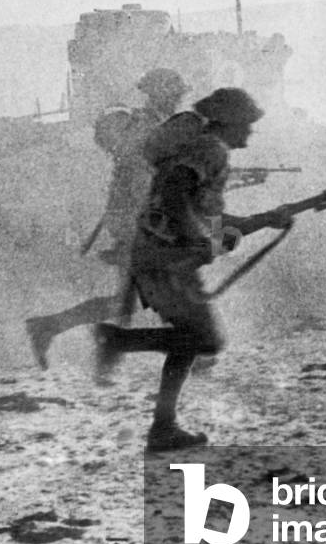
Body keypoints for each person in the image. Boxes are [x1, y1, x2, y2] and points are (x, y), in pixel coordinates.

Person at [93, 87, 294, 452]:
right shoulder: (210, 149)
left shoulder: (201, 149)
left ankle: (162, 427)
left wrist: (266, 219)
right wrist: (194, 236)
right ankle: (119, 344)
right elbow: (174, 193)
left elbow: (207, 217)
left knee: (192, 340)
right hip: (167, 259)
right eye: (246, 124)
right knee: (203, 340)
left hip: (160, 256)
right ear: (229, 122)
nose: (249, 132)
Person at [25, 69, 190, 369]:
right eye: (174, 93)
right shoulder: (145, 126)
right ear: (160, 94)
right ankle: (191, 347)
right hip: (136, 222)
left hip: (142, 221)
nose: (178, 99)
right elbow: (143, 174)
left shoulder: (157, 126)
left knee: (129, 298)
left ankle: (47, 327)